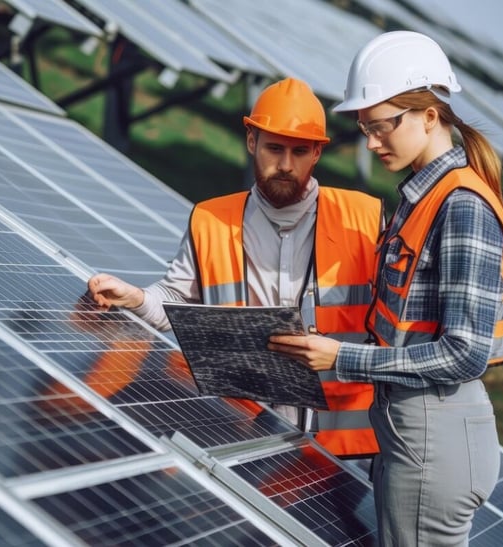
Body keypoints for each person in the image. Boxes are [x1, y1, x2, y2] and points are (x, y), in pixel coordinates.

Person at [268, 31, 503, 545]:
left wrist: (341, 357)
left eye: (382, 126)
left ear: (429, 115)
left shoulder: (462, 206)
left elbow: (465, 353)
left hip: (434, 430)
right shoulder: (422, 198)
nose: (372, 143)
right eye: (365, 129)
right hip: (412, 428)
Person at [87, 77, 384, 460]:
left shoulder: (365, 219)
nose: (286, 165)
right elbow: (175, 300)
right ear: (251, 141)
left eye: (299, 151)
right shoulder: (210, 220)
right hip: (240, 439)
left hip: (344, 452)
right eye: (274, 148)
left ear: (316, 153)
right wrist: (137, 298)